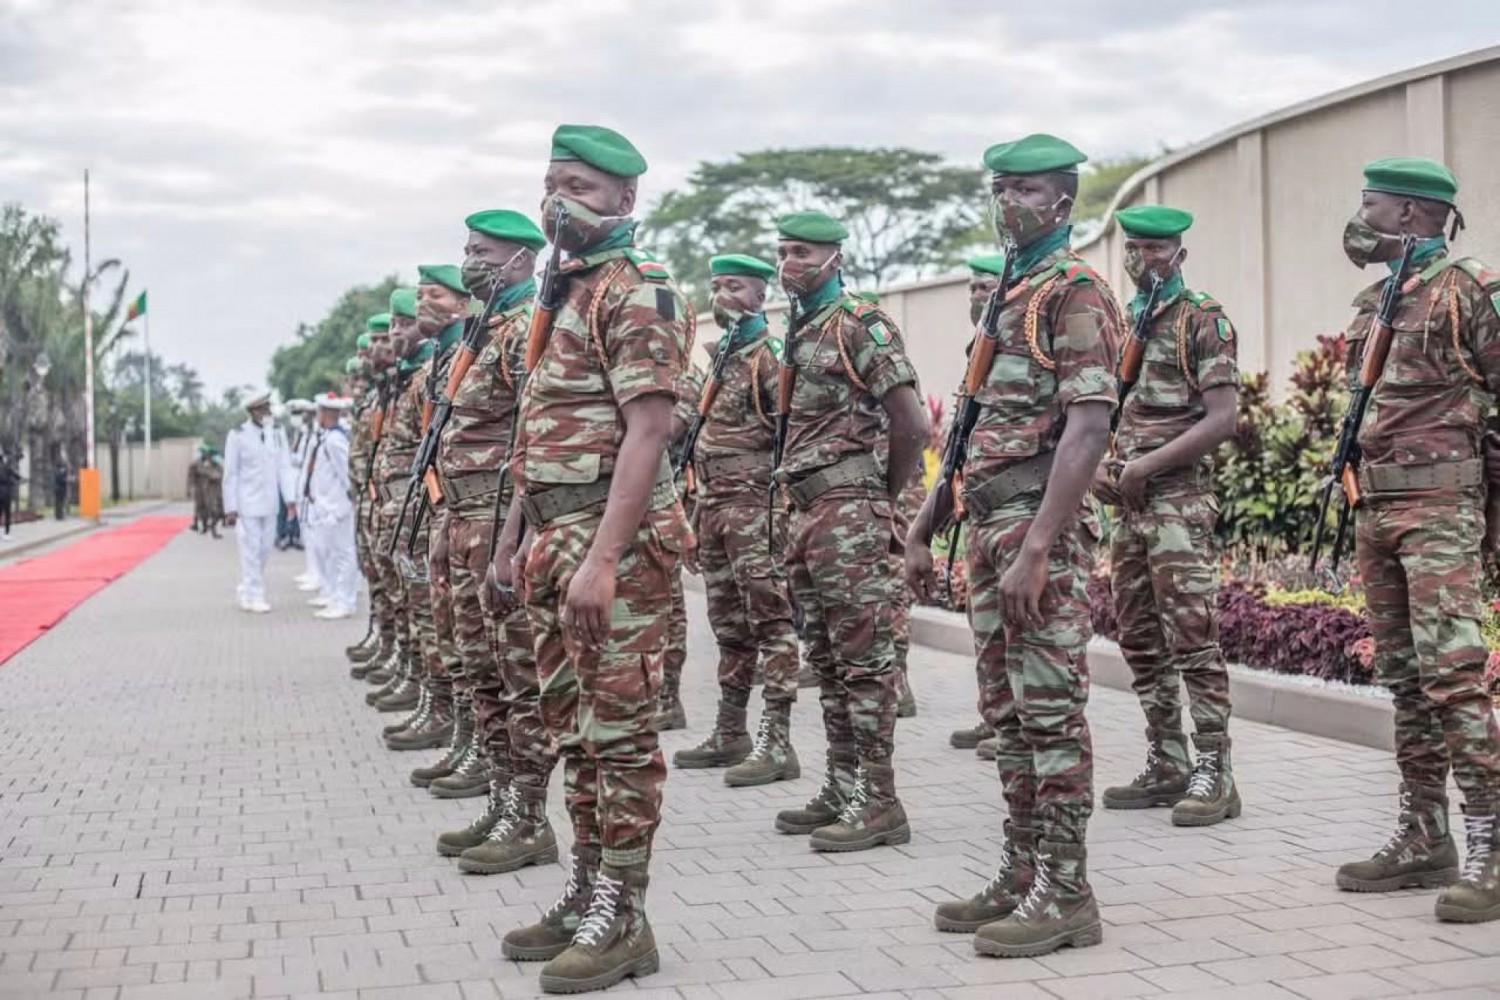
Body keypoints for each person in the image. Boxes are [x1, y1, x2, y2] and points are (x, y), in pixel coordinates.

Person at [907, 134, 1122, 957]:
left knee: (1050, 710)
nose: (1009, 204)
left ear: (1063, 202)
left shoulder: (1073, 291)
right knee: (1006, 714)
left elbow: (1089, 427)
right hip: (990, 527)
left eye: (1026, 191)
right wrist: (928, 524)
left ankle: (1066, 891)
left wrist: (1038, 546)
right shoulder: (1011, 291)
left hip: (1035, 530)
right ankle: (1023, 869)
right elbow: (969, 429)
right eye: (1000, 189)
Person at [497, 124, 691, 994]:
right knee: (571, 729)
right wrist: (514, 539)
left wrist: (602, 559)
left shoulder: (637, 290)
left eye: (577, 184)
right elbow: (534, 435)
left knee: (618, 735)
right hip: (553, 538)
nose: (556, 199)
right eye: (550, 182)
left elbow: (651, 429)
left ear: (623, 199)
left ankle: (625, 912)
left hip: (611, 544)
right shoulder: (563, 293)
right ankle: (584, 892)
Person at [1330, 157, 1500, 924]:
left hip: (1441, 512)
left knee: (1455, 680)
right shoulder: (1376, 298)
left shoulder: (1472, 291)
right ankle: (1426, 834)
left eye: (1368, 204)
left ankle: (1491, 846)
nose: (1357, 218)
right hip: (1379, 513)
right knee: (1404, 679)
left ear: (1406, 214)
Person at [769, 210, 928, 854]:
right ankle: (842, 784)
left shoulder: (860, 324)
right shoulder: (802, 330)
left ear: (836, 257)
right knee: (828, 659)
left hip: (847, 506)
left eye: (803, 253)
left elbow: (913, 425)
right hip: (807, 510)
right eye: (783, 252)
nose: (790, 265)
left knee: (864, 659)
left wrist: (876, 502)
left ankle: (880, 798)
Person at [1094, 204, 1242, 826]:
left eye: (1155, 249)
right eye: (1134, 247)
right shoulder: (1123, 321)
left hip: (1177, 504)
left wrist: (1146, 465)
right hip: (1127, 508)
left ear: (1179, 252)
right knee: (1138, 637)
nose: (1142, 259)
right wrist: (1104, 465)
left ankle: (1216, 769)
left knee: (1193, 638)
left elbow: (1223, 418)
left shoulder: (1201, 320)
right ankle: (1167, 757)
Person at [670, 253, 802, 788]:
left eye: (736, 288)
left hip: (756, 508)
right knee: (728, 625)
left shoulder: (769, 357)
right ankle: (731, 730)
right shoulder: (721, 359)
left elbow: (789, 435)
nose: (723, 297)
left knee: (770, 622)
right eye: (718, 287)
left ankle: (778, 740)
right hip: (717, 507)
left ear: (759, 296)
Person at [379, 265, 471, 754]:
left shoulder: (470, 357)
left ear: (462, 302)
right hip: (430, 516)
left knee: (472, 640)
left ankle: (468, 735)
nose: (416, 312)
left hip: (471, 519)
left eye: (431, 295)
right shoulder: (431, 372)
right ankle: (443, 713)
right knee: (437, 622)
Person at [948, 254, 1006, 755]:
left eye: (985, 286)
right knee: (984, 624)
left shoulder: (1012, 340)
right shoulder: (977, 347)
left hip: (1018, 506)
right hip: (981, 506)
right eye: (971, 287)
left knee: (1013, 628)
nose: (976, 295)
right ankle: (994, 718)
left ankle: (1015, 725)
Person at [223, 393, 294, 613]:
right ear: (253, 411)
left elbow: (284, 466)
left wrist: (290, 499)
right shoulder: (238, 435)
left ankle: (247, 588)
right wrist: (231, 507)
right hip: (247, 503)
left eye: (268, 408)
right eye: (264, 409)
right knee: (251, 550)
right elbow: (231, 473)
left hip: (271, 502)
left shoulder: (277, 433)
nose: (268, 413)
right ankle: (255, 595)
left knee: (264, 550)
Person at [304, 393, 358, 619]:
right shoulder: (326, 438)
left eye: (320, 412)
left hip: (337, 507)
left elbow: (347, 474)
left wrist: (346, 504)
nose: (317, 416)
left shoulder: (335, 440)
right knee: (332, 554)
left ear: (327, 414)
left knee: (343, 554)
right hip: (327, 506)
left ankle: (345, 601)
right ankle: (335, 596)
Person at [0, 453, 20, 536]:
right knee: (7, 513)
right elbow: (17, 476)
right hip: (6, 493)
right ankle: (7, 532)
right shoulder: (7, 467)